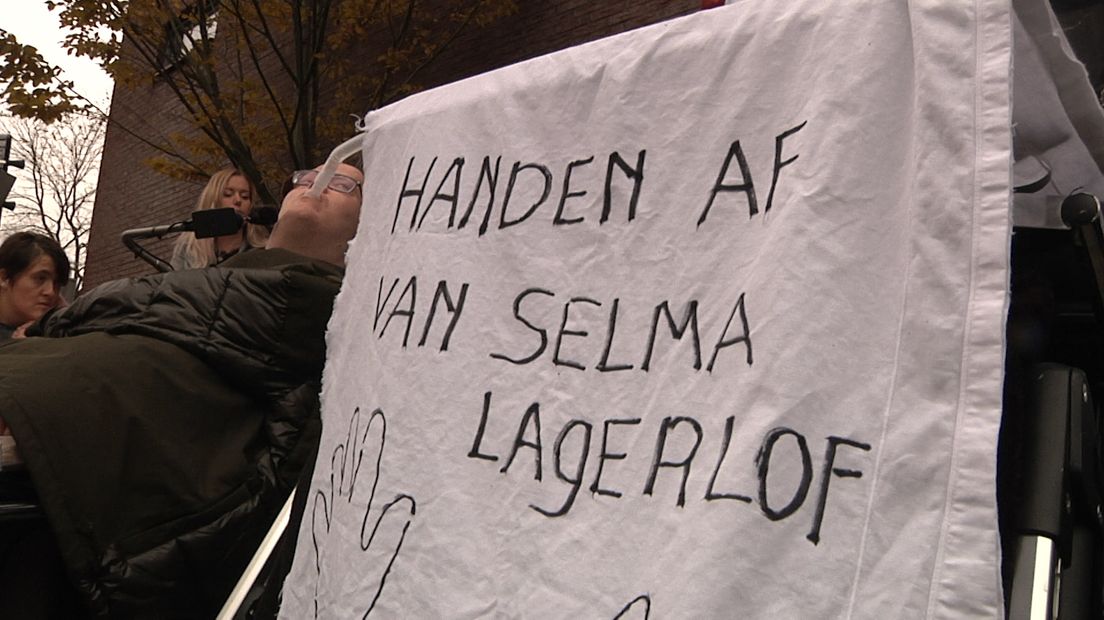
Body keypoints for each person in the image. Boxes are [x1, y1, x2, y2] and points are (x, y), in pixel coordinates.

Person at [0, 162, 364, 618]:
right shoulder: (203, 277)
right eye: (306, 179)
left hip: (55, 466)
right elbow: (141, 304)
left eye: (344, 184)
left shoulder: (345, 325)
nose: (319, 183)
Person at [170, 168, 270, 270]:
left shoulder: (264, 249)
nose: (238, 200)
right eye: (228, 194)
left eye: (245, 196)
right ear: (212, 200)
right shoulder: (188, 247)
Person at [0, 232, 70, 341]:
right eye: (40, 278)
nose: (50, 291)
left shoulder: (63, 336)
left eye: (57, 283)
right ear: (4, 278)